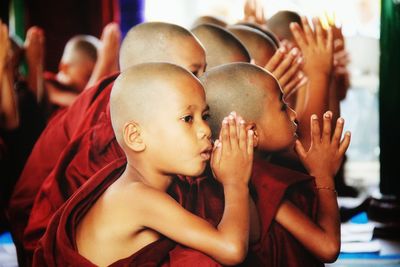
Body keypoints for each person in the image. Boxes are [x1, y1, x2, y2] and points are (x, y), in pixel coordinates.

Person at [13, 21, 207, 265]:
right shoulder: (113, 128)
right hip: (38, 232)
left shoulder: (145, 113)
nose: (203, 83)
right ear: (145, 72)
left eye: (205, 72)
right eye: (193, 72)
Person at [34, 62, 254, 266]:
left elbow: (250, 232)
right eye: (188, 118)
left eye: (205, 116)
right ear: (136, 137)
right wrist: (235, 182)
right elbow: (231, 249)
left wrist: (236, 167)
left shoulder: (163, 185)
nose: (205, 130)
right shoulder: (136, 196)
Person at [202, 62, 351, 264]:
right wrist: (323, 175)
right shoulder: (257, 181)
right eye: (283, 107)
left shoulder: (258, 171)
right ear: (252, 132)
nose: (294, 114)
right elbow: (328, 247)